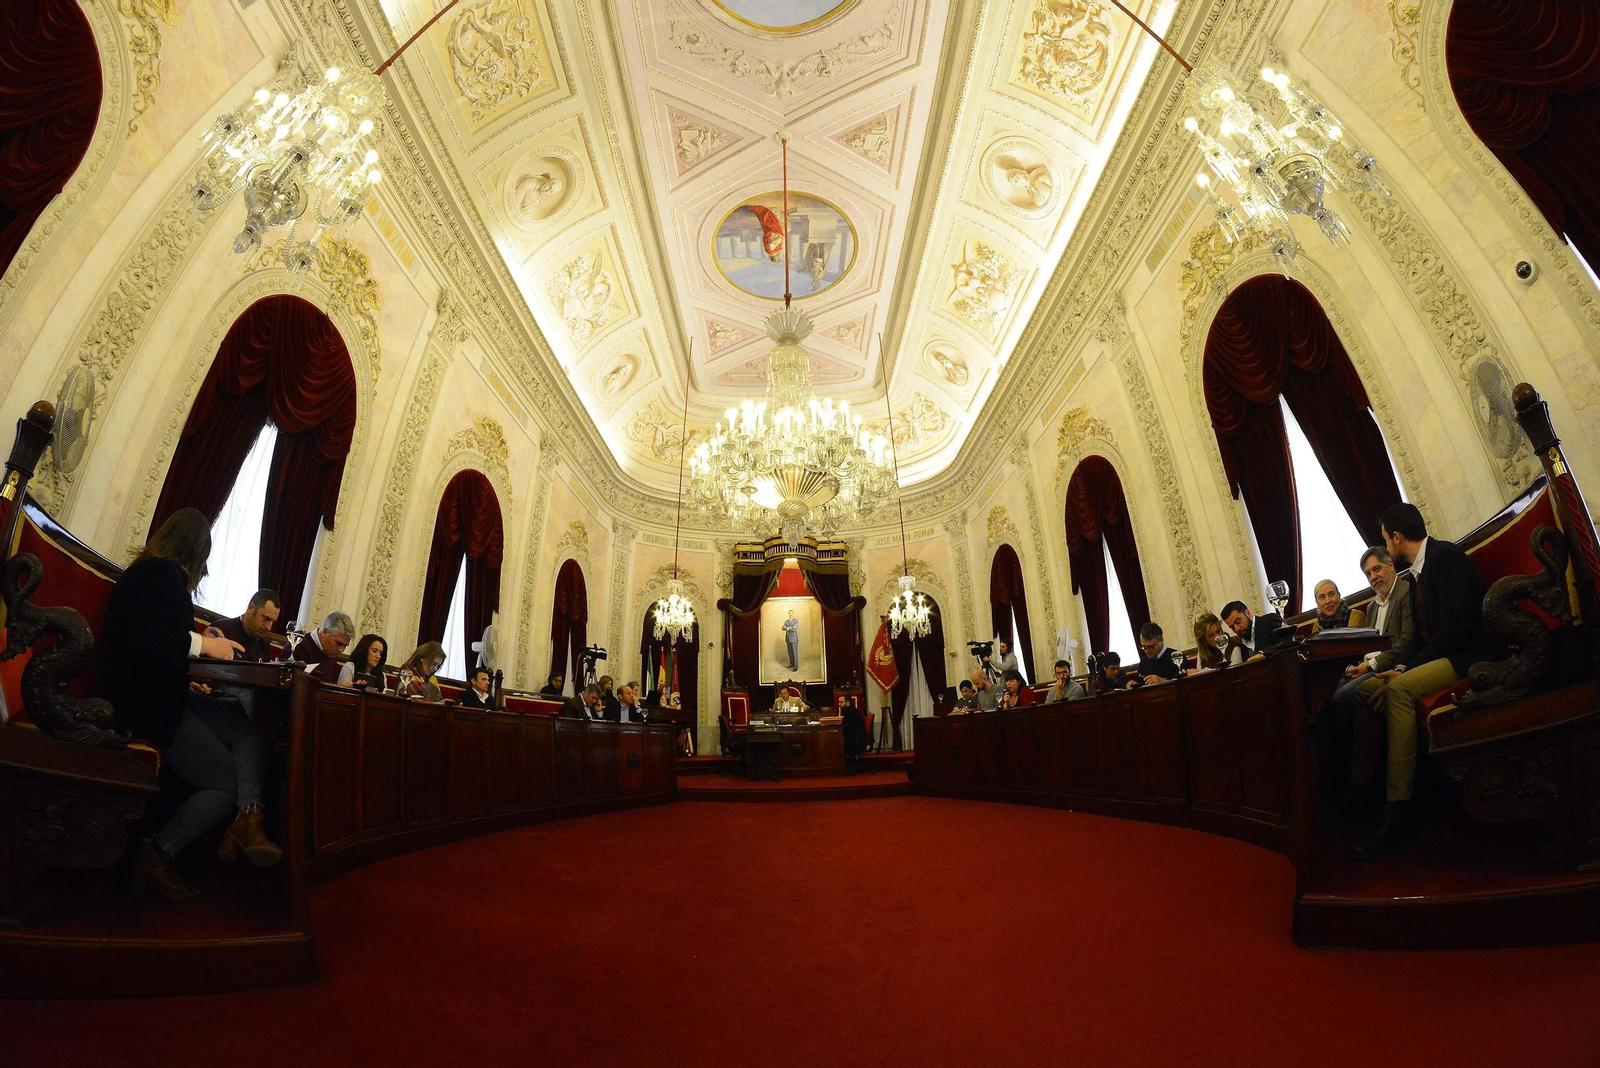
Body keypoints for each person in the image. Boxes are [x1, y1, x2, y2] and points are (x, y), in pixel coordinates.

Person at [99, 508, 280, 900]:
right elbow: (148, 639)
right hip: (144, 704)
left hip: (160, 691)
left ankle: (250, 818)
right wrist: (206, 644)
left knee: (242, 727)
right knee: (223, 785)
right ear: (197, 550)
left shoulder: (153, 573)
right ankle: (157, 852)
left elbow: (157, 641)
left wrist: (192, 666)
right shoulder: (160, 575)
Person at [1349, 504, 1494, 859]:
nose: (1387, 545)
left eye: (1386, 540)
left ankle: (1399, 809)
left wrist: (1404, 672)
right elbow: (1418, 638)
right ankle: (1363, 792)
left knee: (1396, 690)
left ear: (1397, 538)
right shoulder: (1416, 572)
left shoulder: (1446, 558)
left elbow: (1455, 630)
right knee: (1365, 690)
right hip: (1442, 653)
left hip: (1467, 658)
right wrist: (1402, 666)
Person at [1313, 546, 1418, 819]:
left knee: (1341, 698)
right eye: (1368, 573)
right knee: (1326, 699)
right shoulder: (1372, 605)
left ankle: (1358, 783)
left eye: (1377, 569)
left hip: (1390, 666)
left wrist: (1368, 666)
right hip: (1367, 667)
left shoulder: (1406, 592)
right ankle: (1337, 778)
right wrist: (1355, 667)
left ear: (1391, 566)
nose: (1373, 577)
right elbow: (1365, 646)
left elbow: (1405, 642)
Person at [204, 588, 280, 662]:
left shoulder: (264, 645)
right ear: (251, 608)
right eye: (266, 619)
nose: (269, 627)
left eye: (272, 622)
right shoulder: (222, 630)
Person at [294, 610, 355, 683]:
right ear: (325, 633)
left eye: (345, 646)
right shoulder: (299, 644)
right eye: (339, 643)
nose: (341, 650)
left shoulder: (331, 653)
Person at [1220, 600, 1284, 661]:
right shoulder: (1240, 645)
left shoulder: (1269, 621)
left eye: (1238, 622)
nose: (1237, 629)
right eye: (1232, 627)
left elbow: (1284, 643)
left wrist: (1262, 654)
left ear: (1248, 613)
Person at [841, 696, 867, 765]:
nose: (839, 704)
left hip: (855, 738)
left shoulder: (850, 711)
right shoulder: (849, 710)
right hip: (854, 735)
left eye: (841, 702)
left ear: (848, 702)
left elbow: (845, 722)